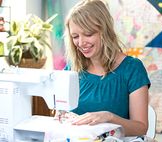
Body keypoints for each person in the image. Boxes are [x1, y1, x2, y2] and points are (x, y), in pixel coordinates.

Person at [63, 0, 151, 137]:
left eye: (88, 34)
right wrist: (60, 115)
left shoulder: (132, 69)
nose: (81, 43)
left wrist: (109, 117)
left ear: (104, 31)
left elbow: (140, 128)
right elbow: (60, 112)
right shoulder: (72, 69)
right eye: (75, 36)